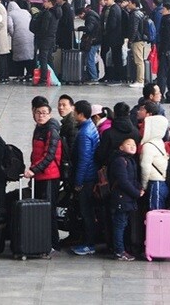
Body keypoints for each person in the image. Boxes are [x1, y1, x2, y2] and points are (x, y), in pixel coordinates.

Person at [23, 100, 62, 252]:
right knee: (42, 209)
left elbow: (49, 155)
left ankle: (53, 242)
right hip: (40, 175)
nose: (41, 116)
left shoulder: (51, 130)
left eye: (44, 113)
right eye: (38, 113)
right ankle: (43, 239)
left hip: (49, 176)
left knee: (48, 209)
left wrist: (34, 169)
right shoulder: (39, 128)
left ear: (50, 114)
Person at [70, 100, 99, 256]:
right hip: (90, 175)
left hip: (87, 178)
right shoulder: (90, 127)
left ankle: (89, 244)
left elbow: (84, 160)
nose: (73, 115)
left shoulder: (84, 134)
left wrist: (78, 182)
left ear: (81, 114)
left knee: (86, 212)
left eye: (75, 112)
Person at [108, 137, 142, 261]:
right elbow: (123, 181)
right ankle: (119, 251)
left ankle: (121, 249)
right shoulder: (120, 161)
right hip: (121, 198)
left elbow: (133, 179)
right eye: (128, 144)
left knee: (122, 223)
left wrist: (139, 188)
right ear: (121, 147)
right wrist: (136, 193)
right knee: (120, 224)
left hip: (127, 198)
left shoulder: (130, 160)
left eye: (134, 144)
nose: (132, 146)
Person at [140, 115, 169, 210]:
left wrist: (143, 185)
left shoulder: (148, 145)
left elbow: (145, 167)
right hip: (161, 181)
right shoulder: (159, 142)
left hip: (154, 182)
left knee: (155, 212)